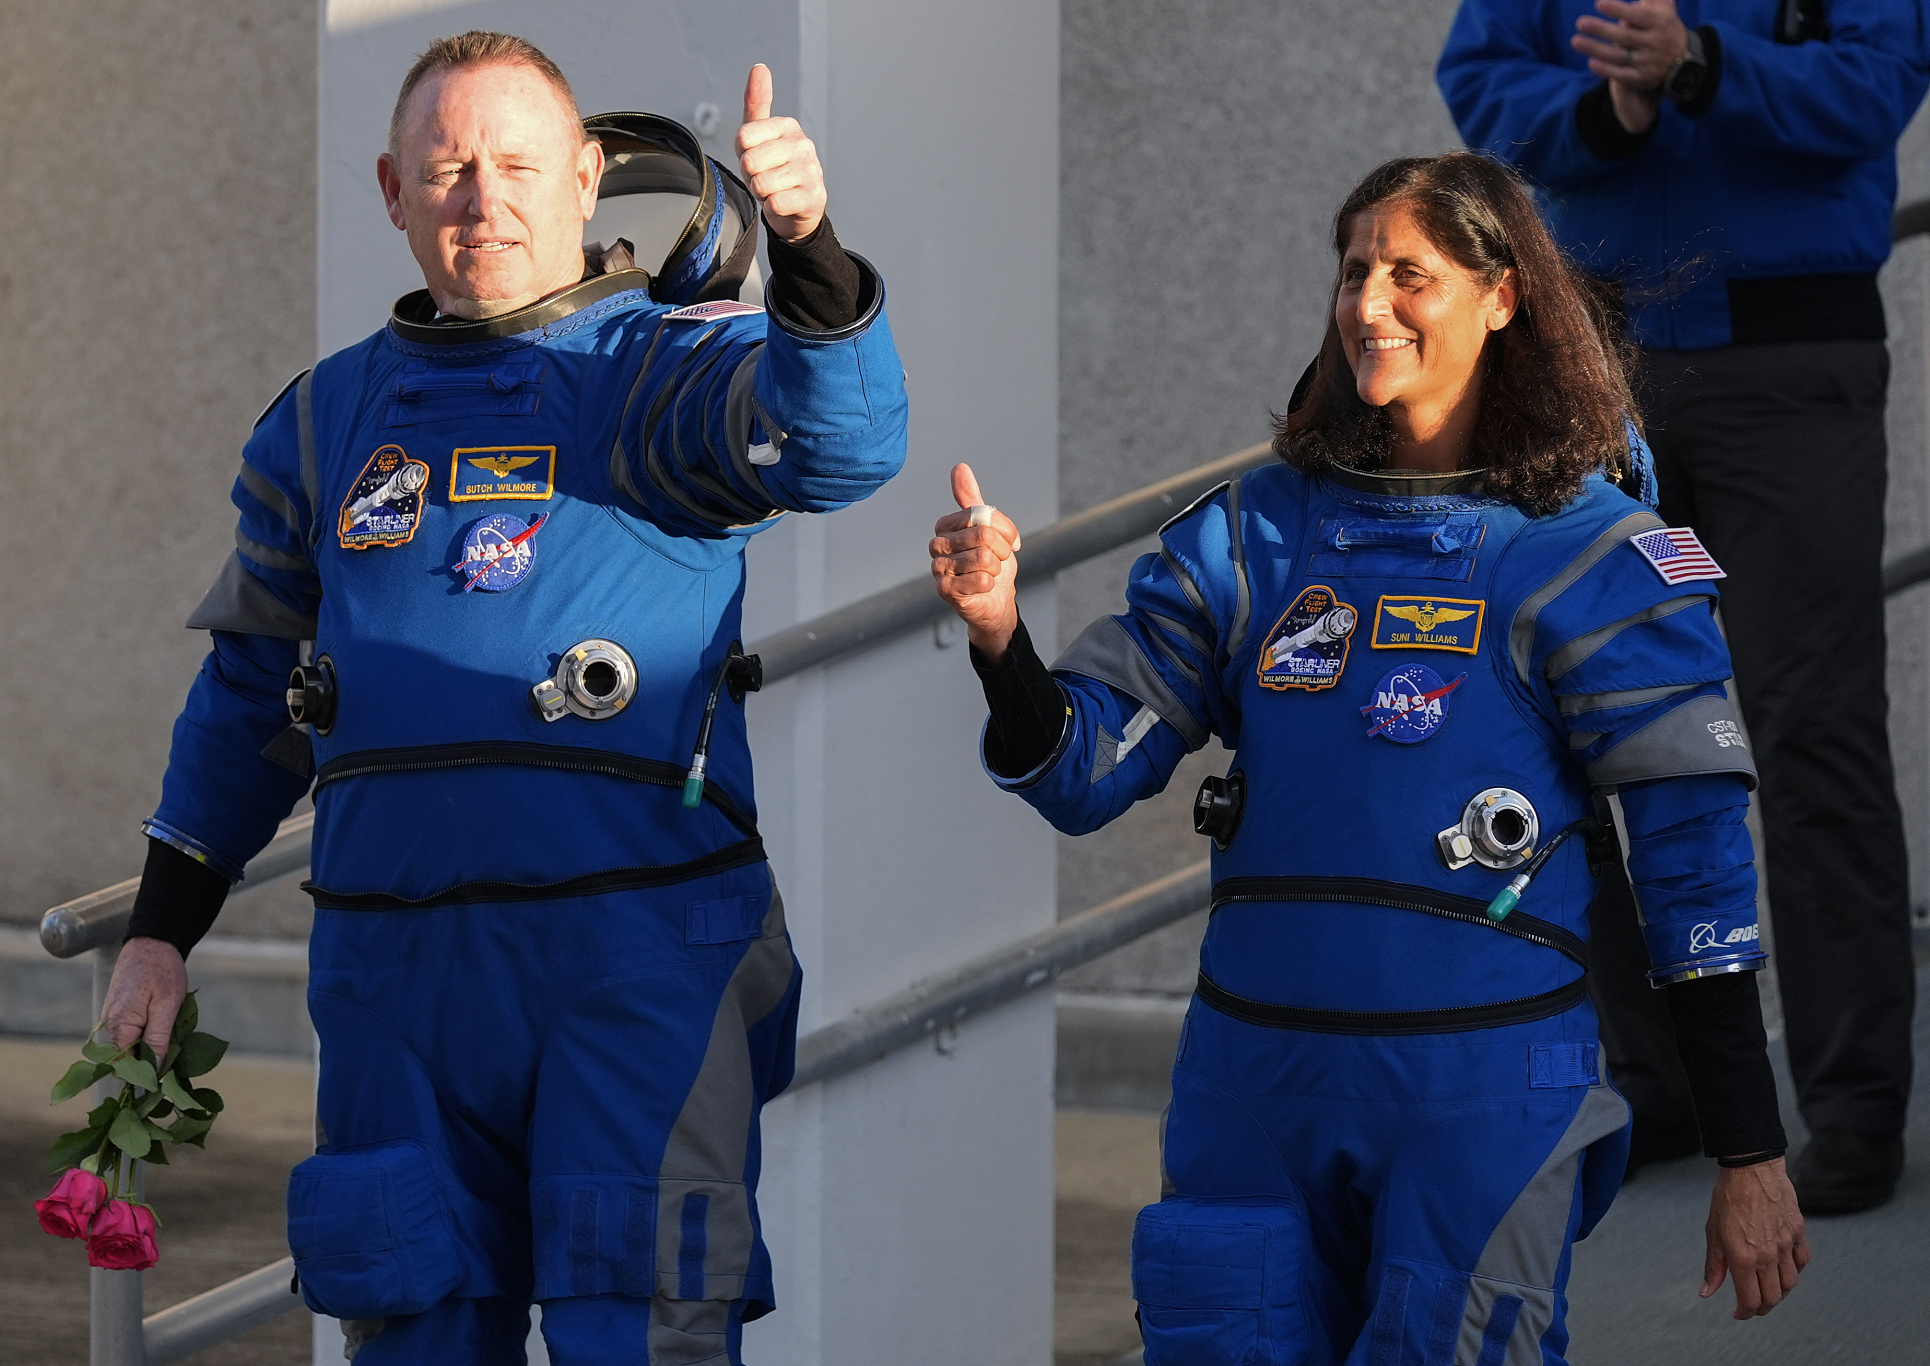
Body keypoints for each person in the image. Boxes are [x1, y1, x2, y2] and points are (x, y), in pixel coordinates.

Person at [96, 31, 907, 1366]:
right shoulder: (325, 422)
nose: (485, 197)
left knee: (637, 1325)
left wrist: (811, 248)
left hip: (634, 961)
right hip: (394, 977)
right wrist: (157, 929)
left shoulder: (661, 372)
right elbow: (253, 691)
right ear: (393, 191)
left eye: (519, 163)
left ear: (587, 176)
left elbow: (839, 444)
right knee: (410, 1322)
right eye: (450, 167)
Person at [931, 154, 1808, 1362]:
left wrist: (1747, 1150)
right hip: (1255, 1085)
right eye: (1353, 271)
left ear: (1502, 296)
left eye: (1410, 273)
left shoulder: (1593, 555)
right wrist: (998, 641)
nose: (1368, 303)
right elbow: (1085, 769)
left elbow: (1692, 876)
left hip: (1479, 1096)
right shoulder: (1257, 534)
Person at [1438, 0, 1928, 1214]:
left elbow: (1875, 88)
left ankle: (1853, 1107)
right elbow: (1481, 84)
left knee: (1811, 731)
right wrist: (1607, 110)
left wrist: (1703, 64)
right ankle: (1649, 1082)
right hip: (1597, 373)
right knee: (1578, 724)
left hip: (1786, 370)